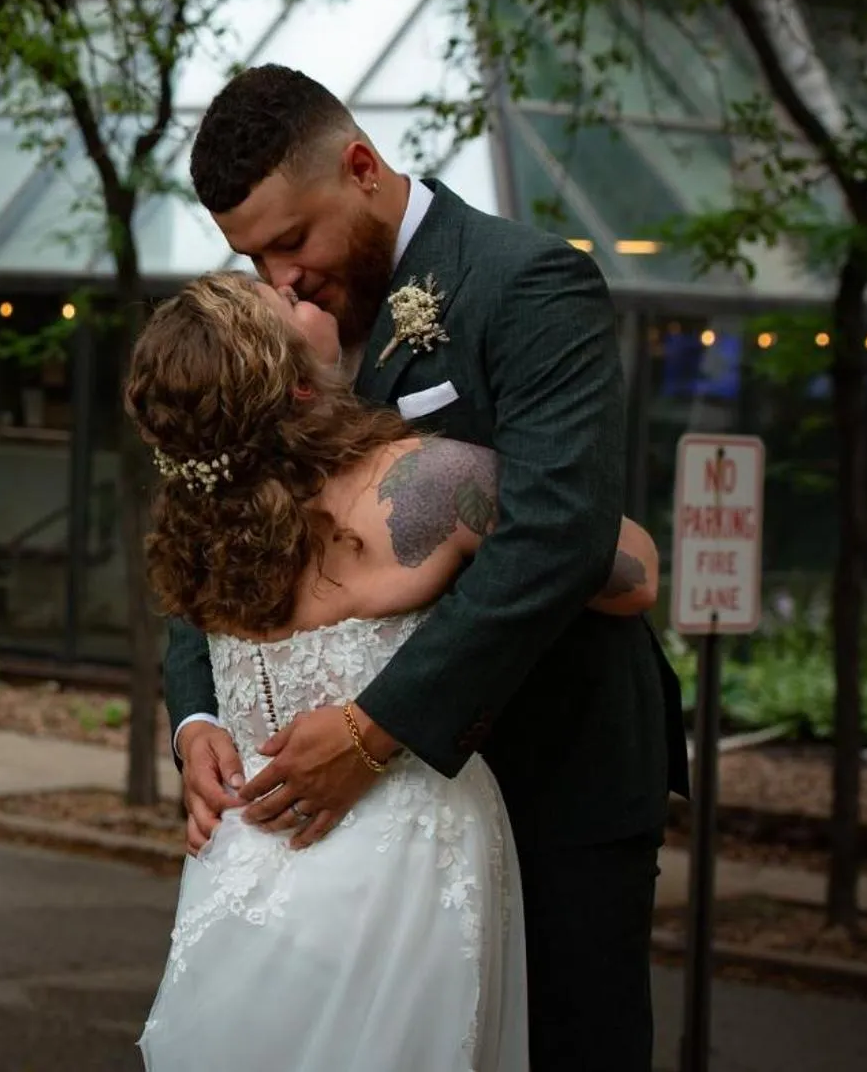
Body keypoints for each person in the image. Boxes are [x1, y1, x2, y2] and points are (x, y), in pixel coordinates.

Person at [161, 65, 687, 1070]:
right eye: (252, 255)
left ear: (361, 168)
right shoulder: (271, 323)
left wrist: (375, 727)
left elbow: (556, 529)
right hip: (341, 831)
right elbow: (211, 507)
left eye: (291, 239)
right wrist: (195, 717)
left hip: (552, 770)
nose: (279, 276)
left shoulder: (523, 283)